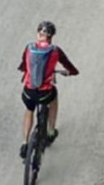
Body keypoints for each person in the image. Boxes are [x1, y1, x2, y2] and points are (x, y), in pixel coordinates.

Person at [18, 21, 79, 159]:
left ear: (38, 34)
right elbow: (70, 67)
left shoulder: (29, 48)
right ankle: (51, 131)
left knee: (29, 109)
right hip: (45, 93)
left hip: (29, 92)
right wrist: (71, 72)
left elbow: (23, 66)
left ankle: (25, 142)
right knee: (54, 97)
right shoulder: (55, 51)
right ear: (51, 36)